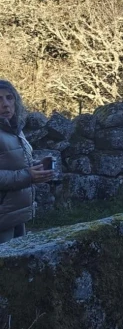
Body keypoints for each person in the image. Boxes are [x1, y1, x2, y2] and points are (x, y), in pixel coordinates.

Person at [0, 80, 54, 243]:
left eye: (10, 98)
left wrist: (36, 166)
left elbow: (13, 162)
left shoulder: (13, 129)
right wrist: (28, 175)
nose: (6, 105)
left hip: (15, 214)